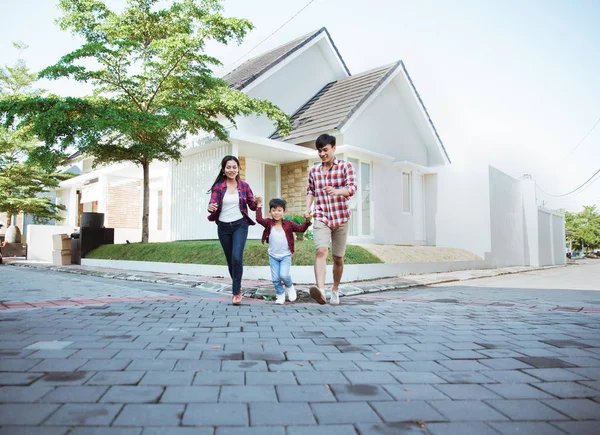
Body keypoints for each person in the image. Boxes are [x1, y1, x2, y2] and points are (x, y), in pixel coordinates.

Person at [305, 134, 356, 305]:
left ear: (334, 148)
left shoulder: (344, 166)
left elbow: (351, 188)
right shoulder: (314, 170)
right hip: (322, 216)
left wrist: (337, 191)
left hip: (341, 217)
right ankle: (320, 291)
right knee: (321, 251)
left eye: (325, 150)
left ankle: (335, 289)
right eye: (319, 151)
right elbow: (310, 190)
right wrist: (307, 208)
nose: (322, 154)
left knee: (337, 258)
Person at [207, 155, 259, 305]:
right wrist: (210, 207)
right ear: (224, 169)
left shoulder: (244, 186)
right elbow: (213, 203)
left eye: (234, 167)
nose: (231, 170)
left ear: (238, 169)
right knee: (231, 261)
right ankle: (238, 286)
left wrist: (257, 202)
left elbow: (252, 206)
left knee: (237, 257)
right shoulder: (218, 186)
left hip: (240, 225)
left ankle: (236, 292)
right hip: (223, 226)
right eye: (228, 167)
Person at [255, 197, 311, 304]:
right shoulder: (268, 223)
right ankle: (280, 295)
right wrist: (258, 205)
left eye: (279, 210)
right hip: (273, 256)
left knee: (284, 275)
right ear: (270, 211)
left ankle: (290, 287)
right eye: (274, 210)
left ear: (284, 212)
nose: (276, 213)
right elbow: (259, 219)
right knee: (276, 279)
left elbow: (300, 229)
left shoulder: (288, 224)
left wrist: (307, 221)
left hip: (286, 255)